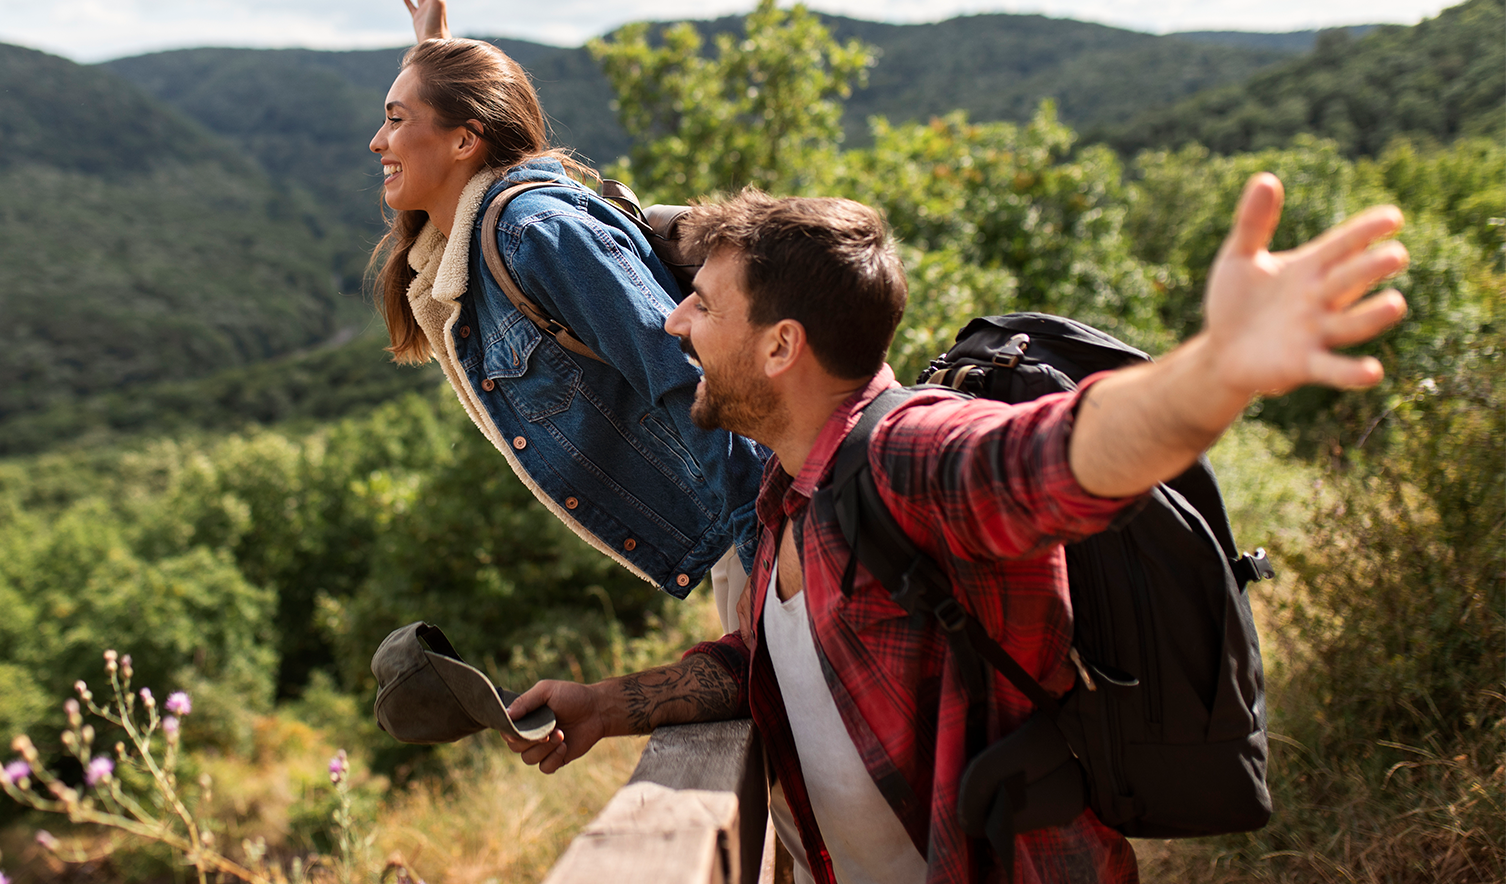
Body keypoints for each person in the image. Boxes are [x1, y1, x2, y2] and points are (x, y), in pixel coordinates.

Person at [498, 179, 1409, 883]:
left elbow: (1062, 452)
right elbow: (775, 659)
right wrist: (610, 706)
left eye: (701, 302)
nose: (673, 319)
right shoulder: (787, 492)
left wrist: (1215, 371)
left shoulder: (908, 453)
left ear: (781, 347)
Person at [368, 0, 768, 614]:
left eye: (394, 119)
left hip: (760, 506)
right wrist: (433, 46)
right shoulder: (465, 248)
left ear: (466, 139)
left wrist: (767, 543)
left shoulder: (538, 234)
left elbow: (687, 377)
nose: (376, 140)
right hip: (736, 521)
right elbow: (452, 162)